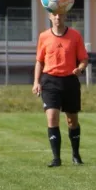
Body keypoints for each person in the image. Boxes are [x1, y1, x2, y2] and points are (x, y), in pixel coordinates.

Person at [33, 11, 88, 167]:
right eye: (54, 15)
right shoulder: (44, 36)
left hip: (70, 81)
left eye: (61, 15)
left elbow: (84, 59)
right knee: (52, 117)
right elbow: (39, 61)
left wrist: (80, 68)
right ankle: (56, 158)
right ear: (50, 17)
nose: (57, 18)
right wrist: (36, 82)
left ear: (65, 17)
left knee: (72, 120)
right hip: (50, 81)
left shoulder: (75, 36)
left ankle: (76, 155)